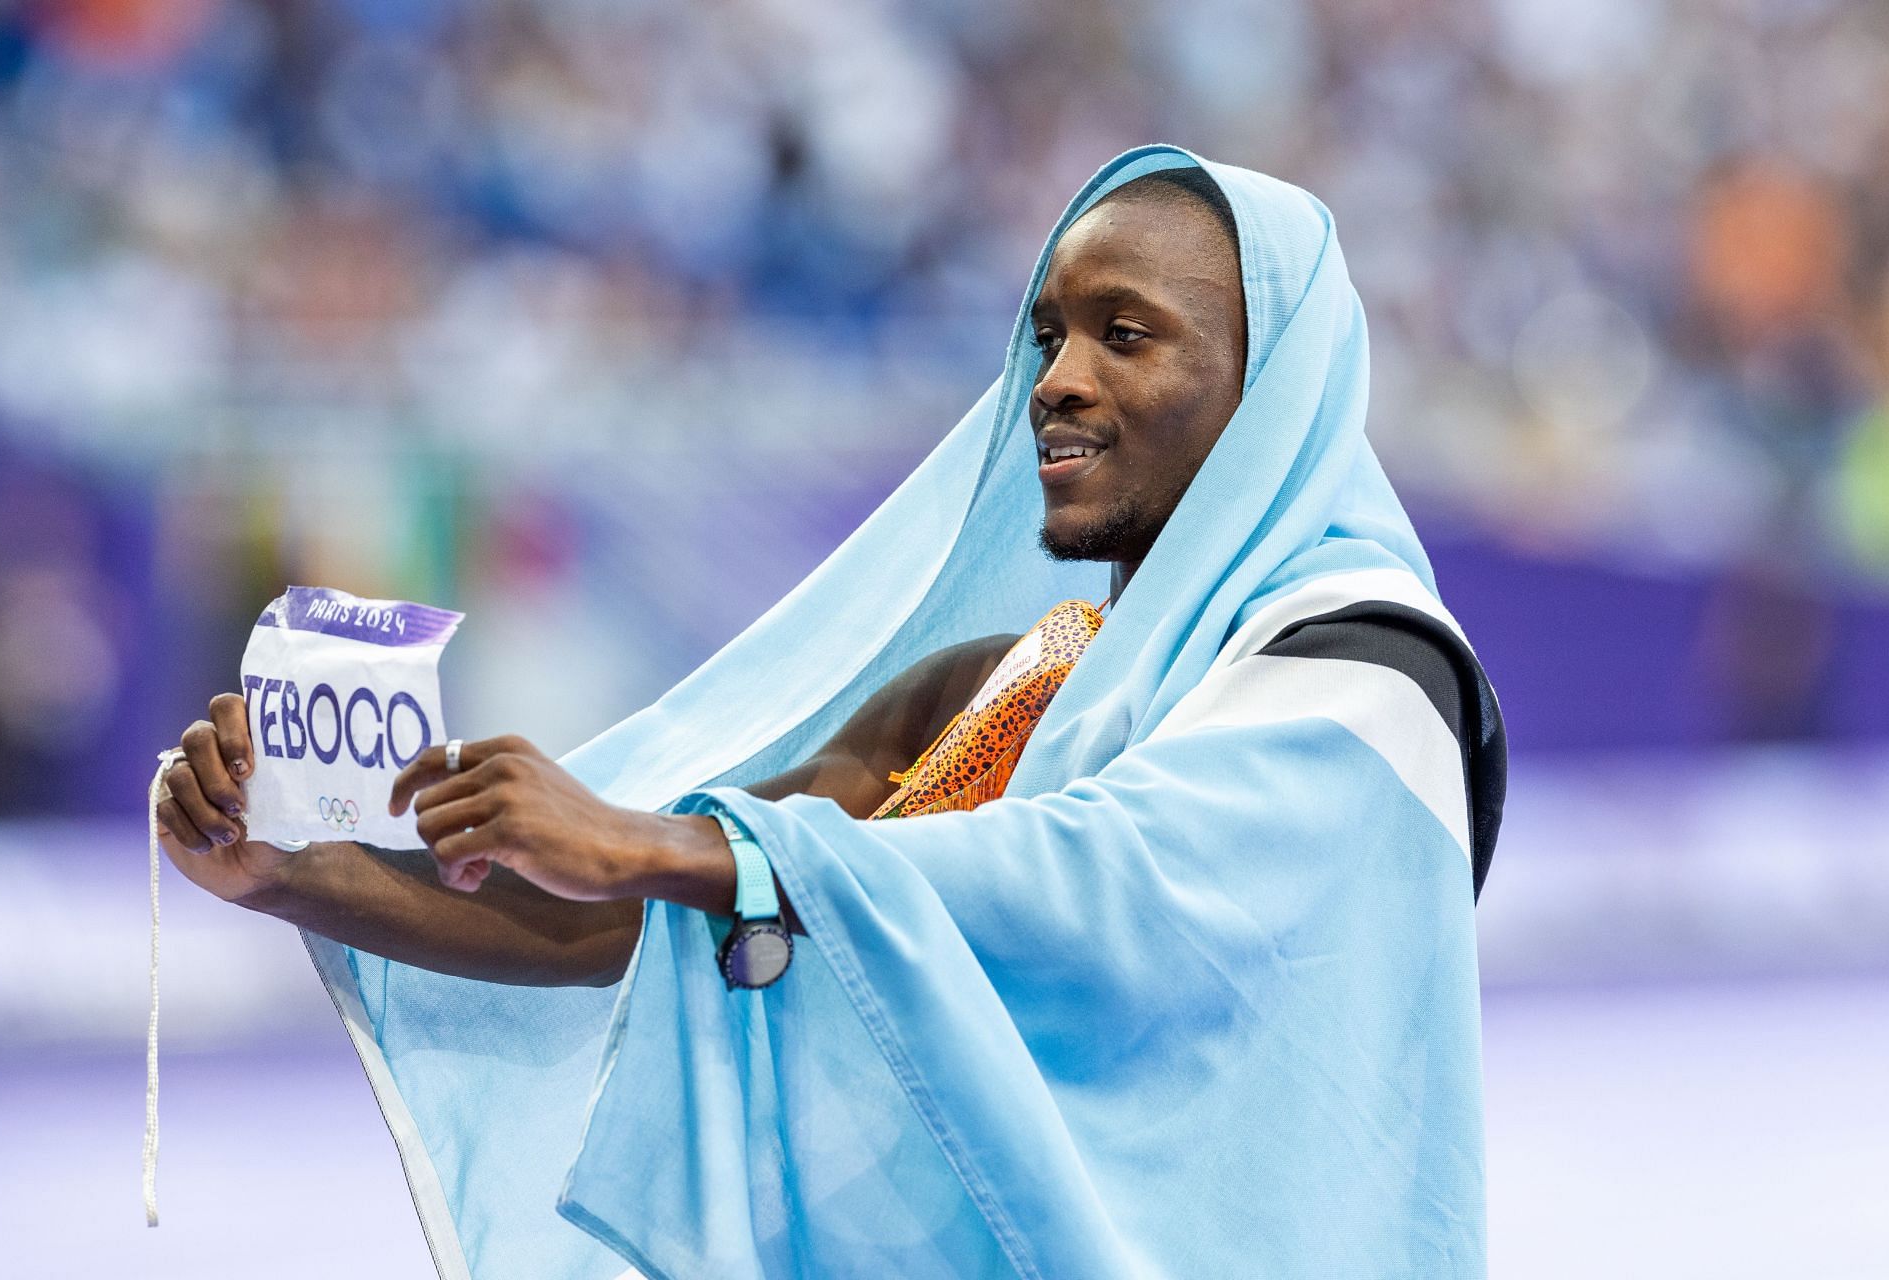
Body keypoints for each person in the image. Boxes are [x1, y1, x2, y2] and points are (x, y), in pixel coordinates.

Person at [157, 148, 1505, 1279]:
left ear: (1273, 386)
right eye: (1048, 332)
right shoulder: (1020, 681)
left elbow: (1113, 872)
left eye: (1128, 333)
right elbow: (641, 920)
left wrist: (661, 845)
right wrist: (288, 868)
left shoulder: (1366, 666)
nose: (1057, 377)